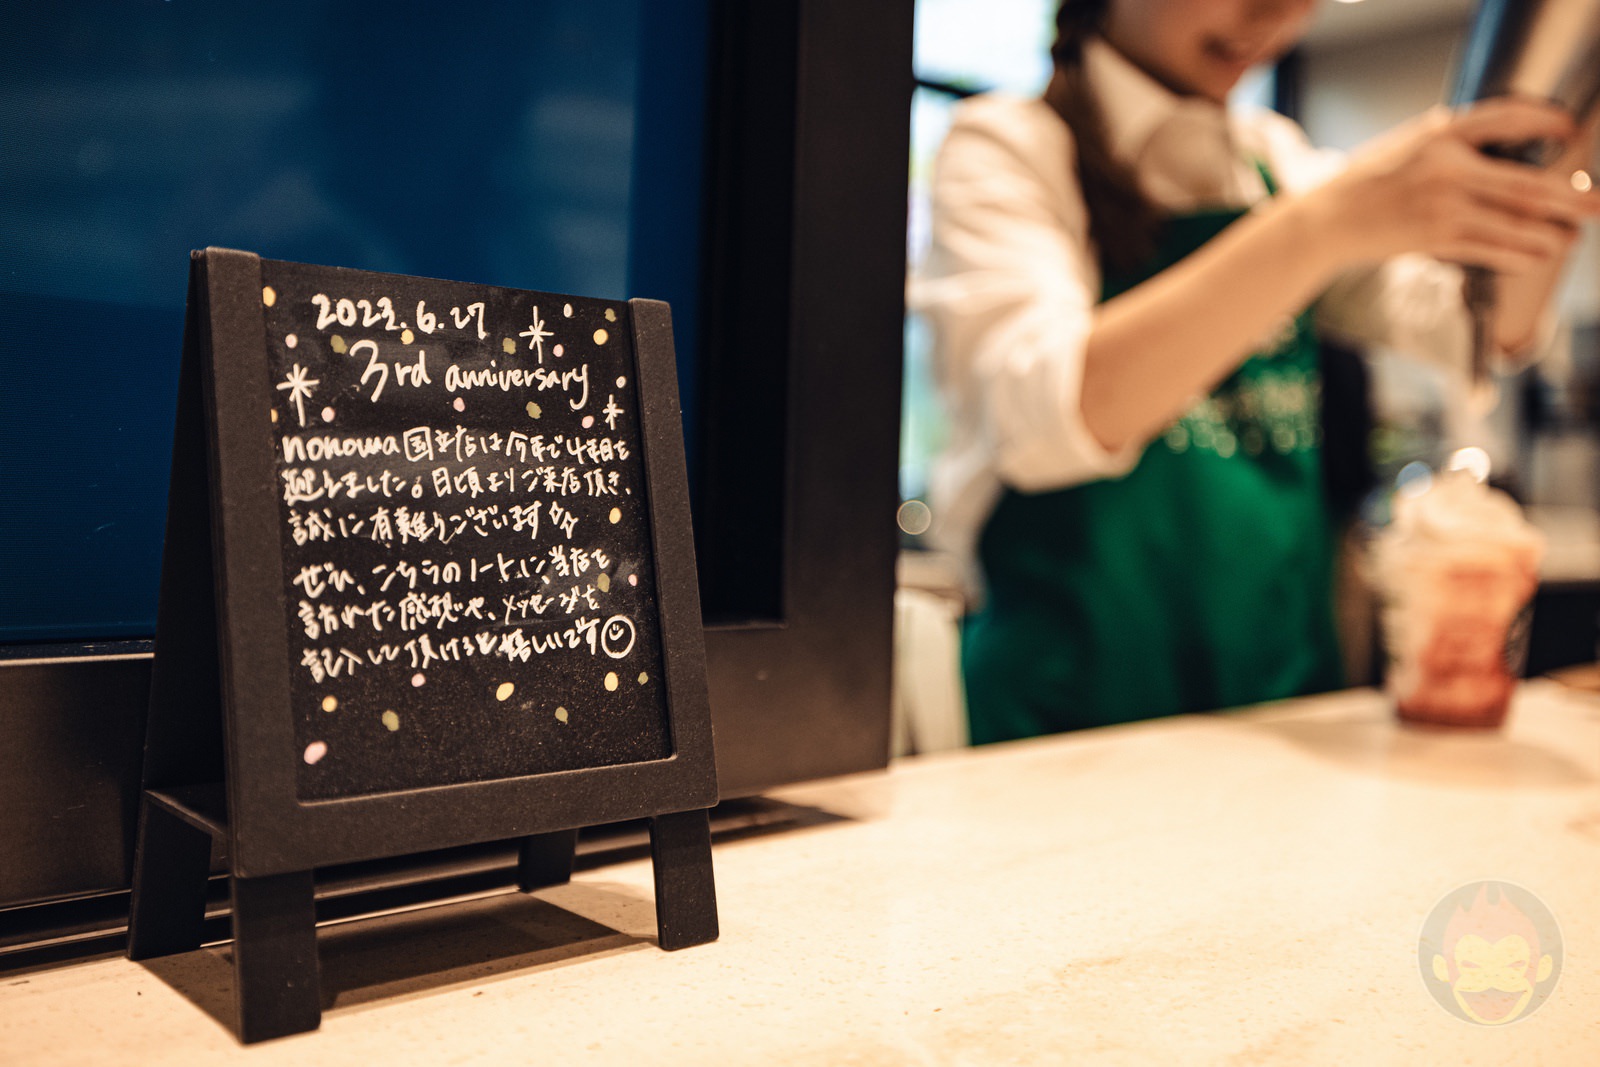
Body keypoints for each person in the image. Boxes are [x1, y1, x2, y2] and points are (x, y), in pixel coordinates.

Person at [914, 0, 1600, 744]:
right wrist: (1329, 222)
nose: (1274, 14)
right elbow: (1052, 413)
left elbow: (1478, 324)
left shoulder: (1273, 157)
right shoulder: (1008, 145)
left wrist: (1562, 159)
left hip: (1274, 695)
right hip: (1070, 708)